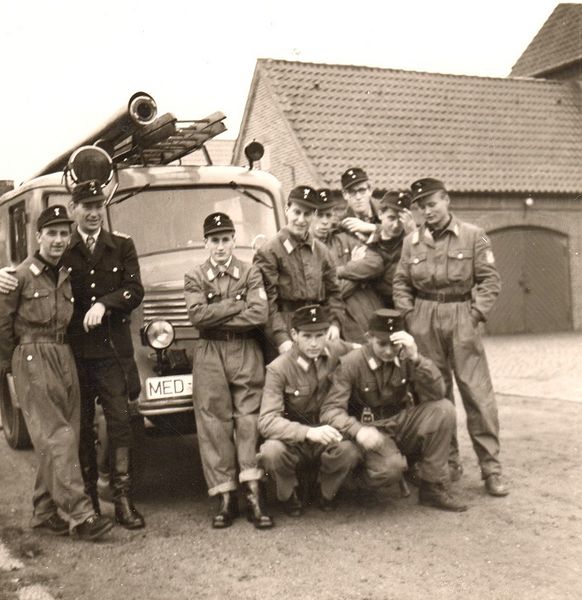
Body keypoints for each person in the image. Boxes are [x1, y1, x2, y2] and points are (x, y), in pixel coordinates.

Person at [0, 180, 146, 528]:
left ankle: (121, 499)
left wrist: (104, 304)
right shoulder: (63, 249)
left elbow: (134, 289)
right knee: (72, 432)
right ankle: (87, 503)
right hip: (73, 352)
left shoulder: (121, 245)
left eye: (98, 206)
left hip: (110, 350)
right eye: (86, 206)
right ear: (74, 209)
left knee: (118, 423)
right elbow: (27, 275)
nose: (94, 213)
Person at [0, 206, 113, 541]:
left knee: (66, 436)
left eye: (64, 233)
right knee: (57, 437)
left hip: (64, 354)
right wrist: (13, 365)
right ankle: (81, 515)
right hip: (33, 355)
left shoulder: (64, 272)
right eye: (52, 233)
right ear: (38, 236)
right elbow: (2, 324)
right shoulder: (18, 276)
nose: (59, 240)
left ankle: (45, 510)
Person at [393, 178, 508, 497]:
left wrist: (475, 315)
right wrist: (410, 316)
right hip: (424, 318)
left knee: (477, 394)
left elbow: (490, 281)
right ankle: (449, 462)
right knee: (435, 392)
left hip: (461, 317)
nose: (428, 211)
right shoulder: (412, 241)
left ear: (446, 200)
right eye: (422, 207)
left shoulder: (473, 235)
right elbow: (401, 282)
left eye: (432, 204)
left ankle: (491, 468)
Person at [320, 309, 467, 511]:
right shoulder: (352, 363)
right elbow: (330, 411)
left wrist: (416, 358)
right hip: (370, 429)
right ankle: (347, 485)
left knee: (444, 409)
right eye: (382, 344)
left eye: (394, 344)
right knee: (390, 470)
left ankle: (432, 487)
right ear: (369, 337)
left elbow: (438, 391)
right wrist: (358, 431)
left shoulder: (406, 357)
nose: (389, 351)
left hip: (399, 422)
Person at [184, 212, 273, 529]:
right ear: (205, 243)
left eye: (225, 239)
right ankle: (225, 497)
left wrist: (217, 313)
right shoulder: (195, 275)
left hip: (244, 350)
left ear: (234, 241)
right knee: (214, 422)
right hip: (209, 353)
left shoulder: (250, 272)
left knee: (249, 419)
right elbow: (197, 316)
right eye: (214, 240)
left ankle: (253, 493)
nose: (220, 246)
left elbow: (259, 315)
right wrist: (237, 304)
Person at [259, 305, 361, 516]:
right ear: (294, 335)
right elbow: (267, 421)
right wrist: (308, 432)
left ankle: (326, 491)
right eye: (307, 336)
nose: (314, 343)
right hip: (294, 438)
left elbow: (365, 350)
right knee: (271, 451)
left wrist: (405, 348)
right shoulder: (278, 368)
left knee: (349, 450)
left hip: (327, 432)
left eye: (320, 335)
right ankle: (289, 494)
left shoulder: (335, 350)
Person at [253, 185, 345, 355]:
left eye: (307, 214)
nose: (301, 220)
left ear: (314, 215)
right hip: (286, 326)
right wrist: (281, 338)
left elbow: (334, 293)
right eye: (297, 212)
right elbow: (267, 302)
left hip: (317, 326)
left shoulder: (322, 252)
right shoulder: (269, 251)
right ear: (286, 210)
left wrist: (334, 323)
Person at [312, 189, 384, 343]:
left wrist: (340, 271)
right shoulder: (307, 251)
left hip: (367, 314)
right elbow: (320, 293)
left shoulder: (343, 239)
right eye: (319, 215)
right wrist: (358, 276)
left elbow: (376, 263)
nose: (325, 221)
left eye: (328, 215)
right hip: (338, 323)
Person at [367, 190, 415, 307]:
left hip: (405, 305)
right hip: (374, 304)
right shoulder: (369, 241)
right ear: (380, 214)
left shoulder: (411, 242)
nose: (396, 225)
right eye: (391, 218)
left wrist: (414, 235)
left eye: (400, 220)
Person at [340, 167, 381, 242]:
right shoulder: (342, 223)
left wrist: (373, 227)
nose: (358, 197)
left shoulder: (385, 209)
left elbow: (399, 229)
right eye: (352, 192)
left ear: (370, 190)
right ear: (345, 195)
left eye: (362, 190)